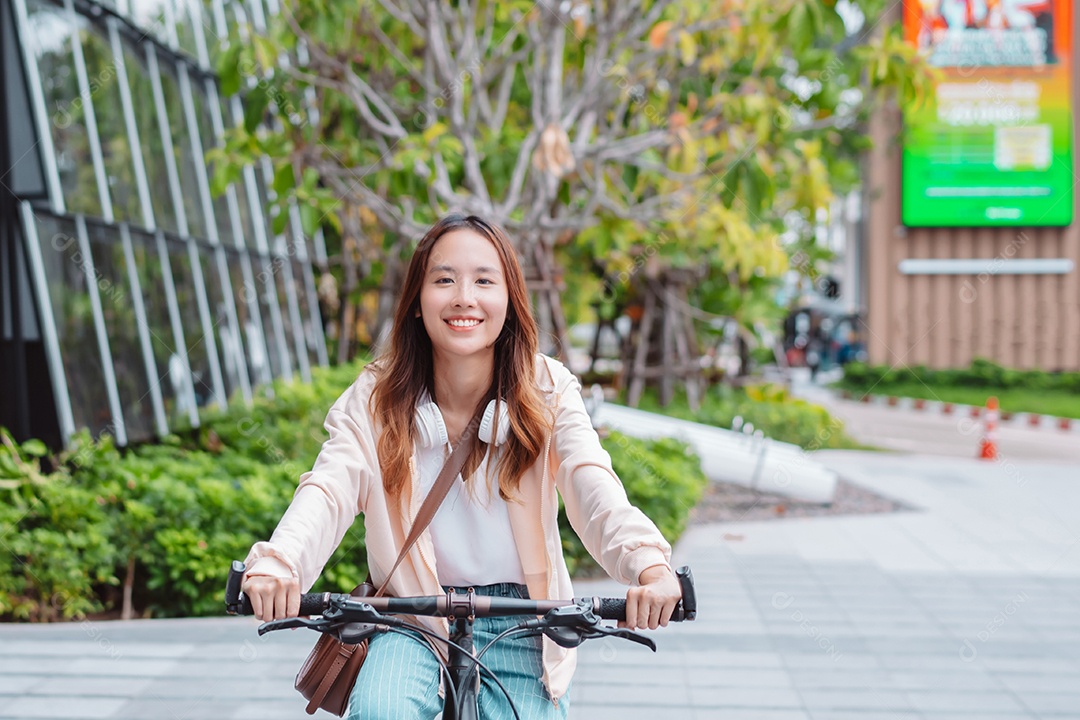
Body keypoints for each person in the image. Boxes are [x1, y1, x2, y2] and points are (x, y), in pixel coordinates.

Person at [241, 214, 681, 719]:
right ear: (417, 301)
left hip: (522, 617)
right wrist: (281, 561)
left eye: (484, 281)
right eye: (444, 279)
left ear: (510, 301)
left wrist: (648, 564)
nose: (464, 297)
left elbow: (592, 483)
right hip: (409, 616)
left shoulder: (548, 390)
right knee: (381, 711)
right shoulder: (376, 396)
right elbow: (329, 487)